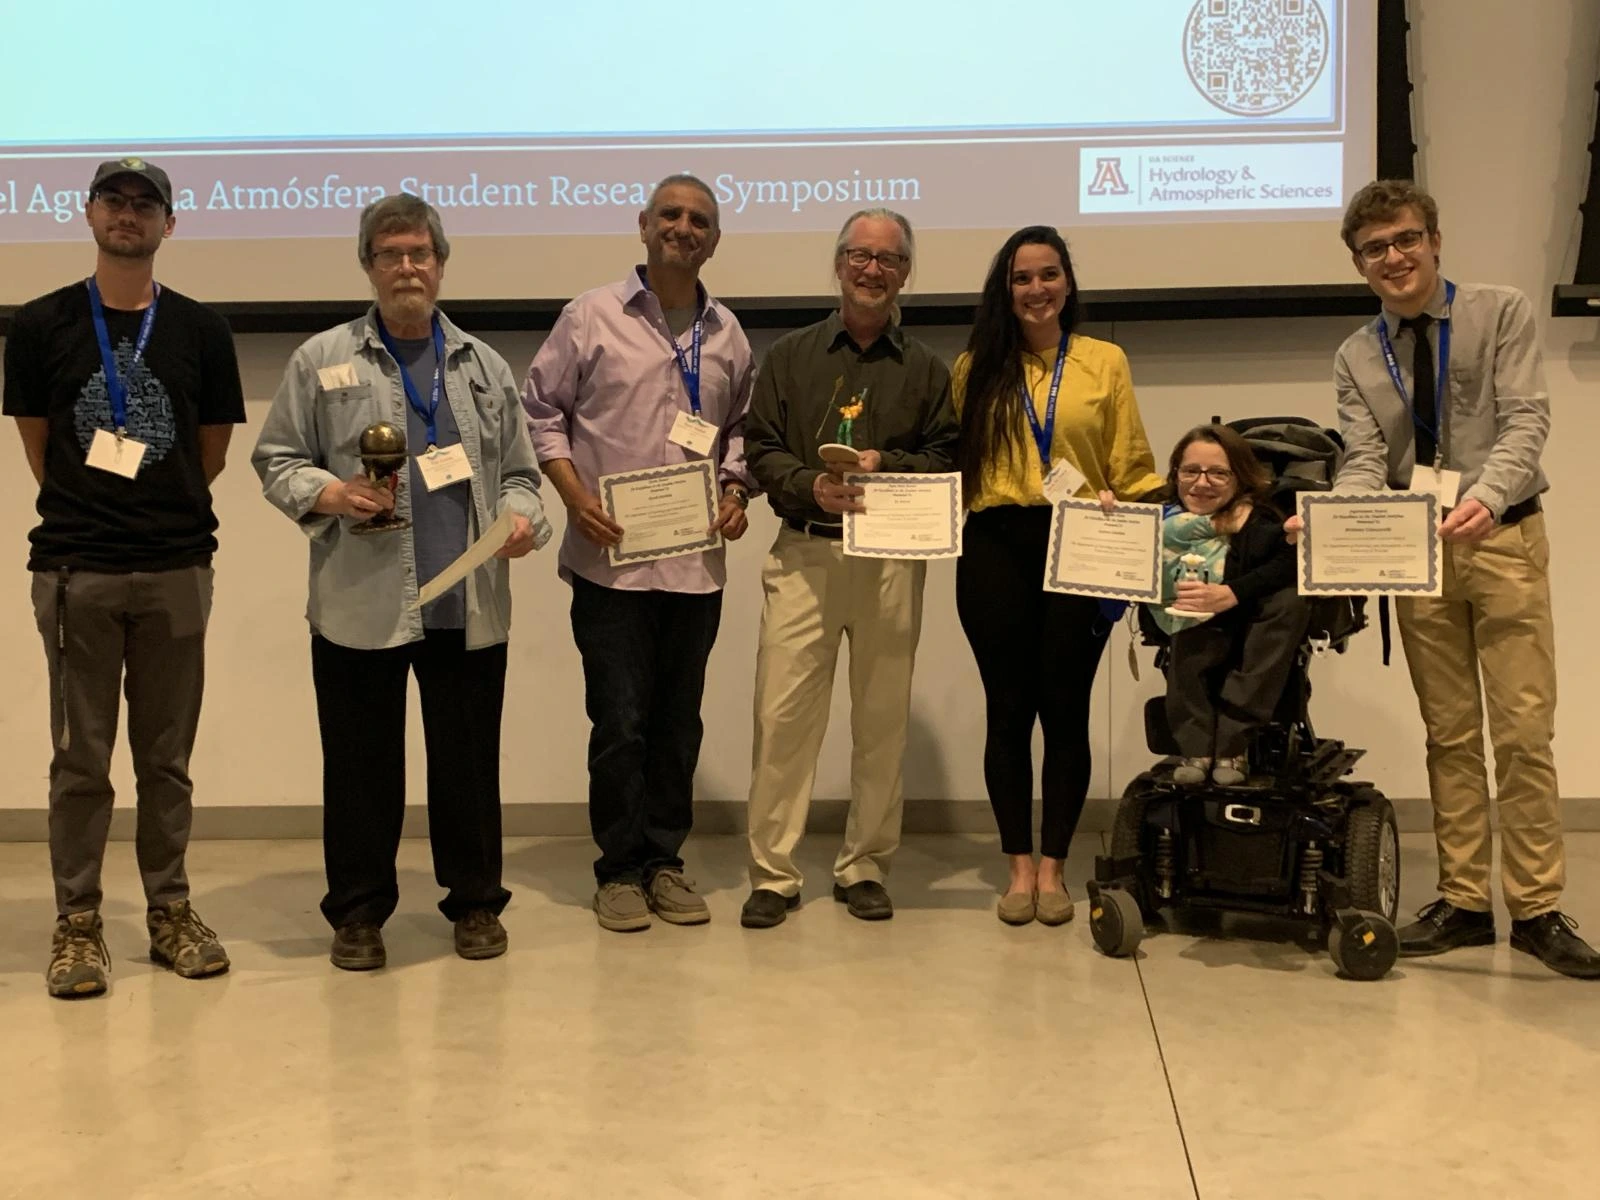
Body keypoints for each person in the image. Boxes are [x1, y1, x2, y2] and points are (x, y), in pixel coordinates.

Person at [1305, 179, 1599, 977]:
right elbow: (1366, 463)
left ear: (1434, 239)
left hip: (1503, 538)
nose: (1393, 257)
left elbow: (1527, 419)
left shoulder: (1499, 311)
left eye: (1405, 239)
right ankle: (1466, 902)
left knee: (1524, 731)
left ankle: (1536, 908)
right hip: (1416, 556)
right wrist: (1331, 521)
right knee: (1451, 734)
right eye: (1375, 249)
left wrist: (1485, 495)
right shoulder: (1356, 355)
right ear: (1359, 264)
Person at [253, 194, 551, 971]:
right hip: (360, 603)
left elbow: (522, 476)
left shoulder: (483, 366)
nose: (408, 267)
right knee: (359, 769)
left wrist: (523, 522)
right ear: (368, 266)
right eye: (391, 254)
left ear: (441, 264)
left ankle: (476, 902)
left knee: (468, 764)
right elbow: (277, 460)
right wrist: (330, 494)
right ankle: (358, 914)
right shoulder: (321, 361)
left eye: (420, 253)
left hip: (468, 601)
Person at [2, 157, 244, 998]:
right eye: (116, 201)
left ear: (169, 225)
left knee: (167, 761)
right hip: (75, 570)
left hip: (177, 567)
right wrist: (100, 511)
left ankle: (170, 910)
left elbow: (210, 450)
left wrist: (156, 509)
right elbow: (39, 446)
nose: (130, 215)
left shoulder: (203, 331)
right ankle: (77, 922)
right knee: (81, 759)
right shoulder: (39, 325)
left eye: (147, 205)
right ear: (90, 214)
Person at [522, 174, 755, 933]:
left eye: (699, 220)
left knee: (677, 721)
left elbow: (743, 434)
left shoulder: (728, 334)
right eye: (671, 215)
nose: (683, 228)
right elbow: (540, 412)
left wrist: (734, 491)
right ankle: (618, 869)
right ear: (644, 225)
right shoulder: (590, 316)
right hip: (611, 563)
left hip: (694, 567)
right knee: (618, 722)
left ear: (714, 239)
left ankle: (665, 860)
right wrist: (572, 497)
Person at [739, 208, 957, 928]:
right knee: (782, 718)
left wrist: (883, 467)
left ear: (905, 274)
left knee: (882, 720)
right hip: (804, 548)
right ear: (839, 265)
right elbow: (762, 445)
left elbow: (947, 457)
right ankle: (772, 874)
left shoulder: (926, 369)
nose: (873, 270)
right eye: (860, 256)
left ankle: (864, 865)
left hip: (892, 558)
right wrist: (810, 485)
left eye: (889, 260)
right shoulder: (792, 356)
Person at [951, 225, 1163, 926]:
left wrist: (1132, 513)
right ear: (1004, 290)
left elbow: (1132, 466)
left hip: (1080, 544)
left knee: (1065, 712)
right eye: (1021, 278)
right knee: (1007, 711)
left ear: (1067, 283)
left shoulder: (1106, 361)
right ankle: (1017, 871)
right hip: (994, 547)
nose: (1036, 289)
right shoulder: (974, 367)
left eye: (1048, 275)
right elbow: (951, 468)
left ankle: (1055, 869)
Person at [1153, 425, 1306, 787]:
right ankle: (1196, 747)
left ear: (1239, 478)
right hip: (1191, 621)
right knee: (1191, 620)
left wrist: (1230, 593)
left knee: (1291, 601)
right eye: (1191, 471)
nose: (1201, 483)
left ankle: (1231, 746)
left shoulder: (1259, 518)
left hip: (1250, 618)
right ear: (1175, 473)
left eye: (1218, 473)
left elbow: (1288, 562)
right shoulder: (1157, 514)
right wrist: (1108, 512)